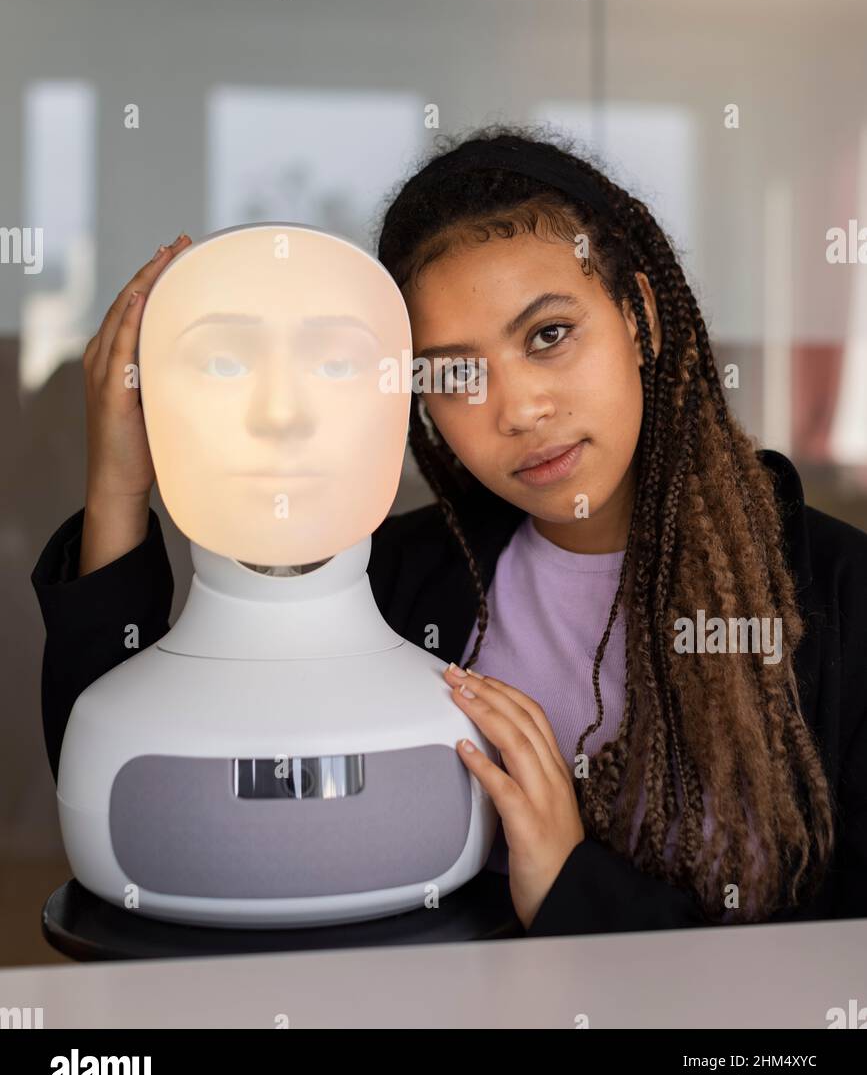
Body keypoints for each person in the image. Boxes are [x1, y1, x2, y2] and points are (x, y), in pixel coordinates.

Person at [32, 126, 867, 937]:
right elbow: (117, 777)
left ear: (639, 316)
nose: (516, 411)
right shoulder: (401, 584)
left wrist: (574, 888)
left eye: (549, 336)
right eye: (457, 373)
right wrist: (118, 480)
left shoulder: (834, 595)